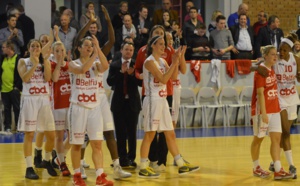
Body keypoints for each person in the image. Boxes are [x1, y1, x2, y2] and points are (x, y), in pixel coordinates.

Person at [138, 35, 199, 178]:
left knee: (170, 133)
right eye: (159, 44)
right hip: (152, 100)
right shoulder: (149, 62)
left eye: (164, 44)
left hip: (163, 99)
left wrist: (177, 59)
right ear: (152, 46)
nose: (163, 46)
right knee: (150, 134)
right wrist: (173, 63)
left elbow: (174, 77)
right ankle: (143, 166)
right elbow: (164, 79)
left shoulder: (164, 61)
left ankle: (180, 164)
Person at [68, 35, 113, 185]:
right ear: (79, 48)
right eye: (86, 45)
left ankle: (100, 176)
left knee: (97, 144)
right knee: (77, 144)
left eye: (91, 45)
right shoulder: (72, 63)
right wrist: (94, 55)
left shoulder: (97, 63)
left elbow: (105, 67)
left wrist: (98, 48)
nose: (89, 47)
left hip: (94, 107)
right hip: (78, 107)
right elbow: (82, 69)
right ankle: (77, 176)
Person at [250, 45, 294, 180]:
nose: (276, 56)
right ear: (266, 56)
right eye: (273, 54)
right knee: (258, 139)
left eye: (276, 54)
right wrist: (263, 113)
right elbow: (260, 94)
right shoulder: (261, 71)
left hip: (275, 108)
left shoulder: (271, 69)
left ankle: (278, 169)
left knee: (276, 139)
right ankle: (256, 166)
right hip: (262, 110)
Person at [17, 37, 57, 179]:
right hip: (30, 99)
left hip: (44, 100)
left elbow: (48, 78)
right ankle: (29, 167)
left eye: (38, 46)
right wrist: (34, 64)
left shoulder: (44, 61)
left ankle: (46, 160)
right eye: (33, 46)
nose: (35, 48)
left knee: (51, 134)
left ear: (41, 49)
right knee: (29, 134)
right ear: (28, 49)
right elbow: (25, 79)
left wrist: (44, 61)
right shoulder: (23, 61)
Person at [267, 36, 300, 179]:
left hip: (292, 97)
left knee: (285, 134)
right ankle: (291, 165)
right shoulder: (276, 61)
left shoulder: (296, 60)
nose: (281, 53)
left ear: (290, 50)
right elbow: (264, 67)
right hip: (279, 98)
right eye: (280, 50)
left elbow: (298, 78)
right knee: (286, 131)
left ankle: (275, 163)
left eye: (284, 50)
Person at [107, 42, 142, 169]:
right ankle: (122, 158)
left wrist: (132, 74)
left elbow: (140, 83)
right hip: (119, 103)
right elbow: (109, 81)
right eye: (126, 49)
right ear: (121, 50)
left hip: (132, 102)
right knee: (120, 133)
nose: (128, 52)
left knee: (132, 133)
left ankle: (131, 158)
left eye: (131, 50)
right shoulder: (115, 64)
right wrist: (121, 72)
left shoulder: (136, 64)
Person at [49, 41, 71, 176]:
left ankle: (59, 157)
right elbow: (55, 79)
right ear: (53, 52)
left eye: (61, 50)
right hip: (58, 104)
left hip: (71, 105)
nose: (60, 53)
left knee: (76, 136)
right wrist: (59, 64)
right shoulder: (51, 65)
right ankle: (62, 162)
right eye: (57, 51)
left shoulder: (70, 65)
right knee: (59, 135)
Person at [0, 40, 22, 134]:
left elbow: (21, 74)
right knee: (6, 109)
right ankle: (7, 127)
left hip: (14, 89)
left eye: (3, 47)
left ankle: (18, 126)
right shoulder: (2, 58)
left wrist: (17, 87)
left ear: (9, 48)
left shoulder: (18, 58)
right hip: (4, 89)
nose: (2, 49)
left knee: (17, 108)